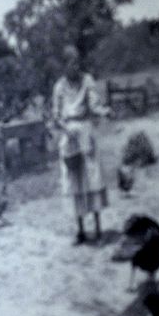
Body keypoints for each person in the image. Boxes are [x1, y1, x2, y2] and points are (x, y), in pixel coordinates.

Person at [52, 45, 112, 244]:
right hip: (69, 136)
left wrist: (104, 111)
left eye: (78, 63)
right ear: (65, 65)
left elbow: (94, 106)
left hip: (85, 131)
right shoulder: (59, 87)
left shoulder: (87, 81)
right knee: (74, 180)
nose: (75, 67)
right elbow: (57, 115)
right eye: (71, 63)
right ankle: (80, 231)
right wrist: (64, 127)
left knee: (92, 178)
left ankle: (98, 229)